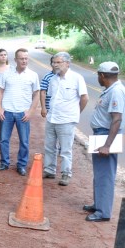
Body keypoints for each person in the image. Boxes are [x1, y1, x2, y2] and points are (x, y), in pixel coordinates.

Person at [83, 62, 124, 222]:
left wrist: (107, 145)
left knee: (105, 175)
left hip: (107, 136)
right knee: (99, 174)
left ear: (102, 75)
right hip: (101, 134)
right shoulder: (110, 90)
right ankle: (98, 204)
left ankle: (103, 212)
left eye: (98, 75)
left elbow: (117, 119)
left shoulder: (117, 92)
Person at [42, 52, 88, 186]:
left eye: (58, 62)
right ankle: (49, 170)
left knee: (65, 149)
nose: (55, 65)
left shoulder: (76, 78)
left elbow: (85, 98)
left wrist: (76, 112)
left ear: (67, 63)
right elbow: (50, 97)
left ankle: (66, 174)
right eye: (54, 62)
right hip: (52, 118)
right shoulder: (53, 79)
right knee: (49, 146)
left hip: (67, 120)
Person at [0, 48, 40, 176]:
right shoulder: (6, 74)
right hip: (7, 112)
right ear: (15, 60)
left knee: (24, 141)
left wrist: (31, 111)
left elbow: (36, 94)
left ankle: (21, 165)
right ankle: (4, 162)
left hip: (23, 113)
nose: (24, 61)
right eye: (21, 58)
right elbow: (0, 91)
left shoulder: (33, 75)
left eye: (26, 58)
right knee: (4, 139)